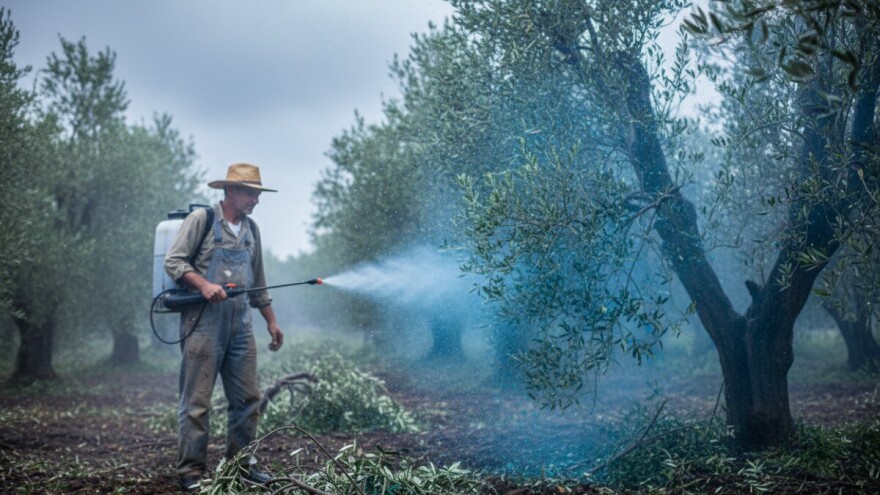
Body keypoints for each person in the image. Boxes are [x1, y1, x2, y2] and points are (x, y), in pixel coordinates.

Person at [164, 163, 284, 491]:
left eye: (258, 194)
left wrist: (271, 321)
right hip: (203, 323)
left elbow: (258, 282)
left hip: (241, 325)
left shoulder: (252, 230)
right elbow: (173, 261)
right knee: (197, 400)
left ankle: (241, 465)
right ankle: (191, 472)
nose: (255, 200)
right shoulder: (201, 221)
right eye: (250, 193)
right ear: (230, 191)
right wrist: (203, 285)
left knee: (248, 398)